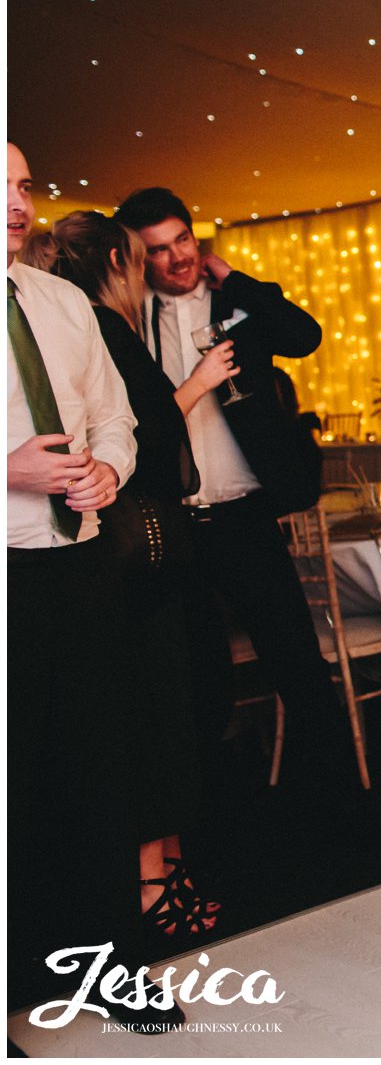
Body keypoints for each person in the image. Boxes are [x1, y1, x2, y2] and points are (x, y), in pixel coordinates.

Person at [8, 145, 181, 1030]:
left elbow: (115, 413)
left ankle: (107, 962)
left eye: (24, 185)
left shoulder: (62, 300)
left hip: (79, 563)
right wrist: (7, 469)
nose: (17, 203)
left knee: (98, 765)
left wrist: (110, 467)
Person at [113, 185, 345, 785]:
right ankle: (211, 809)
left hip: (244, 515)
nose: (176, 257)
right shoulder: (128, 325)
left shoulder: (238, 306)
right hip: (174, 520)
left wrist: (236, 278)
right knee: (197, 674)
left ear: (197, 237)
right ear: (140, 258)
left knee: (295, 656)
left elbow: (305, 336)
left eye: (183, 240)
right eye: (158, 250)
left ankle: (339, 794)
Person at [42, 211, 229, 945]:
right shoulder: (101, 326)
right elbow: (150, 445)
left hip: (129, 556)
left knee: (161, 711)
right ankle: (154, 882)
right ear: (120, 260)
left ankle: (165, 869)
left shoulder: (77, 322)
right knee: (154, 714)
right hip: (138, 554)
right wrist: (196, 384)